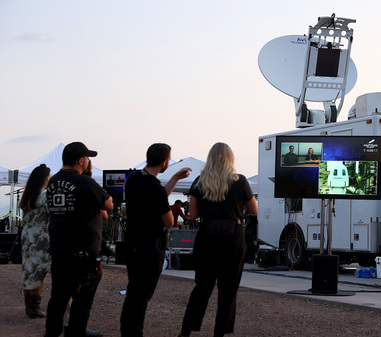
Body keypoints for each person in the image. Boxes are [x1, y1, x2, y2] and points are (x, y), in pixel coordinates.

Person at [178, 142, 257, 337]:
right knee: (228, 290)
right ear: (230, 158)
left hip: (207, 238)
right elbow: (254, 210)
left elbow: (193, 215)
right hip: (233, 239)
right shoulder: (240, 181)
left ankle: (186, 331)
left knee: (202, 288)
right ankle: (219, 333)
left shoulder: (199, 181)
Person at [120, 143, 191, 337]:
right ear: (164, 162)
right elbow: (168, 221)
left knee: (133, 293)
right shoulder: (155, 188)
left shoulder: (134, 178)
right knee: (141, 297)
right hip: (150, 247)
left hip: (132, 243)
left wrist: (175, 178)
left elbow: (158, 195)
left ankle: (128, 332)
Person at [44, 142, 113, 337]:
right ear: (81, 161)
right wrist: (90, 180)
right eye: (88, 159)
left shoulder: (53, 181)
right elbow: (108, 204)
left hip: (59, 251)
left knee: (58, 299)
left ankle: (53, 334)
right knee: (82, 302)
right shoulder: (84, 182)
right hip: (84, 255)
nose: (89, 162)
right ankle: (75, 333)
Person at [20, 164, 51, 319]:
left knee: (29, 270)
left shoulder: (26, 196)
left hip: (27, 236)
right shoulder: (44, 196)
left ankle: (29, 306)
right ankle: (34, 308)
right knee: (40, 272)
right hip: (41, 237)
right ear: (44, 178)